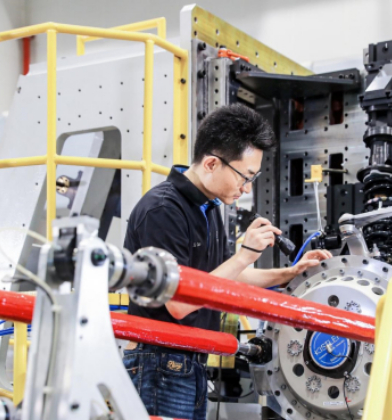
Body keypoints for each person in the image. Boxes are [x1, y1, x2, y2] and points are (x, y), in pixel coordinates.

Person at [122, 104, 332, 420]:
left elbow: (225, 277)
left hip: (189, 361)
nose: (246, 188)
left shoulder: (207, 208)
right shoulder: (163, 210)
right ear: (211, 163)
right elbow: (178, 303)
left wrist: (289, 274)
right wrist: (245, 254)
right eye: (244, 177)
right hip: (159, 362)